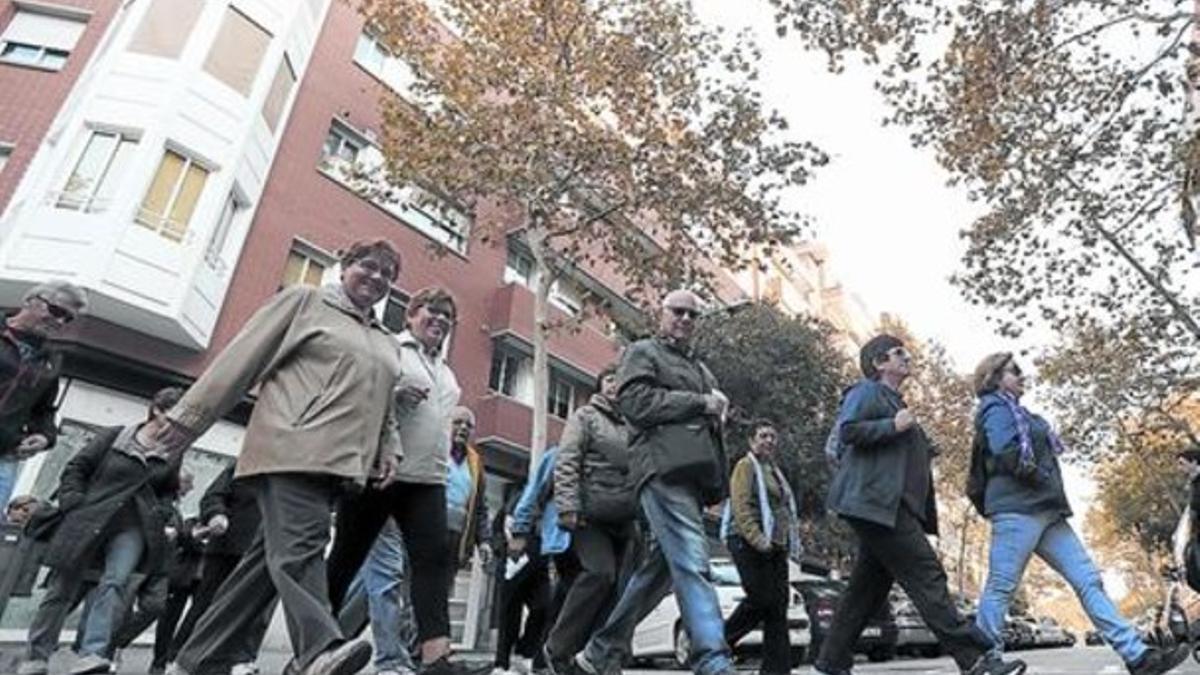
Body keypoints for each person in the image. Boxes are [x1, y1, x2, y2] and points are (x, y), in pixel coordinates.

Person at [159, 238, 406, 675]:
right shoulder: (304, 302)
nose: (377, 277)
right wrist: (185, 421)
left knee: (260, 572)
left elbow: (383, 404)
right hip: (291, 445)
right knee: (305, 544)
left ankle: (193, 662)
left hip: (341, 464)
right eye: (368, 265)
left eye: (387, 274)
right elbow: (241, 358)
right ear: (343, 263)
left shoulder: (387, 340)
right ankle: (320, 649)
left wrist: (389, 448)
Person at [813, 335, 1024, 675]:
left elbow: (894, 449)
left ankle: (830, 663)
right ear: (880, 363)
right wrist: (892, 426)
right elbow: (848, 431)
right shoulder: (866, 391)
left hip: (890, 507)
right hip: (878, 506)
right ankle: (974, 661)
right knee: (927, 574)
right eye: (899, 353)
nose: (907, 357)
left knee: (866, 591)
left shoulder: (896, 401)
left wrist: (922, 446)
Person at [970, 353, 1189, 675]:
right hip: (1017, 509)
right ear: (994, 377)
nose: (1022, 375)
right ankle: (984, 660)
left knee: (1089, 580)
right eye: (1014, 371)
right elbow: (1006, 451)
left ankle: (1137, 656)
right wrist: (1039, 477)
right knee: (1002, 585)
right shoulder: (995, 407)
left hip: (1047, 512)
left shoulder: (1021, 412)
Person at [575, 289, 734, 675]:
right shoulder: (643, 352)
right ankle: (712, 657)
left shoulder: (701, 370)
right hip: (660, 471)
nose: (684, 319)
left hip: (692, 475)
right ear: (661, 313)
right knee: (695, 563)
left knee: (658, 573)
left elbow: (709, 420)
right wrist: (699, 403)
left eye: (692, 315)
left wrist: (718, 413)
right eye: (677, 311)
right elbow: (636, 405)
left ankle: (600, 652)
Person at [325, 286, 470, 675]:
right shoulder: (391, 347)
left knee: (431, 564)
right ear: (410, 316)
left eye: (446, 315)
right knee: (345, 558)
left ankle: (436, 658)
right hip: (382, 471)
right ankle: (314, 649)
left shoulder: (447, 371)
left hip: (428, 479)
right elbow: (360, 392)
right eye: (430, 311)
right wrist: (393, 392)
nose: (439, 319)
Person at [18, 386, 185, 675]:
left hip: (133, 527)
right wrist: (74, 502)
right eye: (175, 415)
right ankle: (36, 656)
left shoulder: (172, 453)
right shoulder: (114, 436)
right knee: (62, 589)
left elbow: (168, 492)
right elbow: (76, 468)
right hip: (89, 519)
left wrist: (162, 512)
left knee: (114, 584)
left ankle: (92, 655)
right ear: (157, 409)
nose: (178, 423)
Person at [542, 364, 635, 673]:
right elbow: (567, 459)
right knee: (599, 574)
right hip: (590, 514)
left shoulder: (636, 423)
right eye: (609, 379)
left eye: (620, 381)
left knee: (620, 589)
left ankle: (597, 657)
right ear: (599, 386)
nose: (615, 386)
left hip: (626, 518)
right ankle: (557, 648)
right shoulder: (585, 417)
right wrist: (567, 505)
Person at [169, 462, 270, 675]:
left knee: (256, 612)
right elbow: (212, 497)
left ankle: (240, 662)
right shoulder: (247, 462)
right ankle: (179, 659)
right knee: (206, 606)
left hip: (267, 553)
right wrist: (216, 514)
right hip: (228, 548)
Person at [0, 280, 88, 511]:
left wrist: (44, 436)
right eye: (56, 311)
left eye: (67, 318)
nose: (59, 321)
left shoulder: (50, 360)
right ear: (31, 301)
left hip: (4, 455)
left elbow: (44, 410)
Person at [721, 420, 799, 675]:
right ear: (751, 441)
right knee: (760, 598)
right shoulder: (745, 466)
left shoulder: (774, 470)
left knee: (778, 607)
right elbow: (741, 507)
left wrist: (788, 543)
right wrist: (758, 540)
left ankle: (777, 670)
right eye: (763, 436)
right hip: (747, 541)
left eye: (773, 437)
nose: (769, 441)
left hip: (776, 545)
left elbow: (785, 508)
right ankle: (718, 644)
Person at [109, 470, 203, 675]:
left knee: (155, 607)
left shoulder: (177, 508)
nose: (192, 488)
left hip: (161, 568)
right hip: (138, 562)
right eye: (189, 482)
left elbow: (181, 538)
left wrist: (192, 535)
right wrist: (161, 531)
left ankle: (116, 642)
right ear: (178, 483)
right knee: (122, 610)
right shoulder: (156, 498)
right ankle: (110, 652)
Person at [490, 490, 550, 675]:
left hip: (539, 566)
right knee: (509, 615)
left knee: (543, 607)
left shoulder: (550, 508)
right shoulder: (517, 502)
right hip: (512, 564)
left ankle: (525, 650)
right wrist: (501, 550)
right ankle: (502, 663)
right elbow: (497, 529)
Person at [447, 406, 490, 571]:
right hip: (428, 531)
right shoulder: (438, 450)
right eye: (458, 422)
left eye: (469, 425)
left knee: (442, 589)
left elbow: (481, 507)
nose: (463, 428)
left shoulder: (475, 463)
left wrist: (484, 541)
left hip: (457, 539)